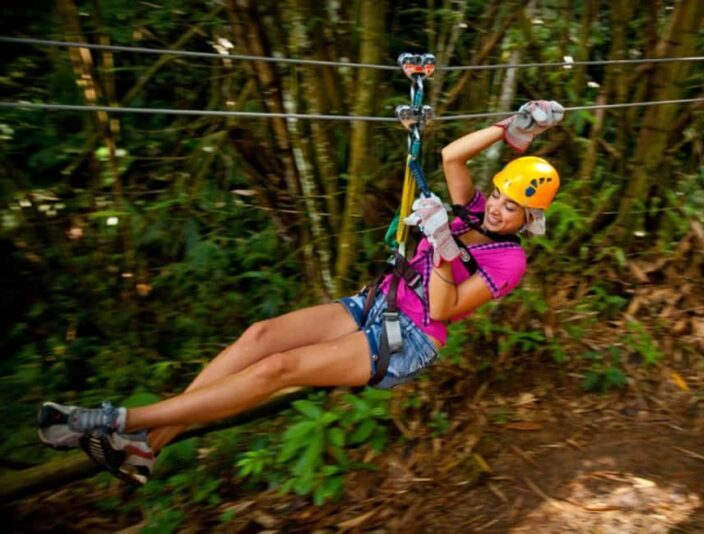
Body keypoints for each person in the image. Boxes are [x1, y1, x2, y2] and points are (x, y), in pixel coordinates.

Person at [37, 100, 565, 486]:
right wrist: (511, 129)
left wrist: (445, 245)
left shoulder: (509, 260)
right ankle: (147, 448)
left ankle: (118, 421)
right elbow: (451, 155)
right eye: (498, 194)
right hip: (376, 302)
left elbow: (443, 307)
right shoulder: (474, 208)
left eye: (510, 206)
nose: (495, 208)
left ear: (528, 218)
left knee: (277, 371)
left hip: (409, 337)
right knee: (260, 335)